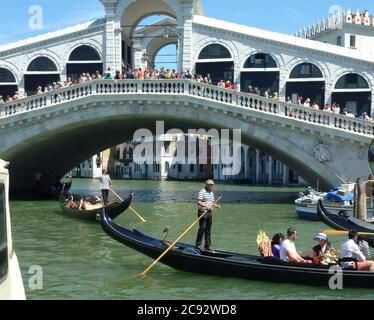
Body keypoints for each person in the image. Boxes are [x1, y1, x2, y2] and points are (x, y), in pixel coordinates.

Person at [195, 180, 220, 252]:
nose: (213, 186)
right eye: (212, 185)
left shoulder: (211, 193)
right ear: (207, 185)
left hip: (209, 213)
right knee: (202, 228)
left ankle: (207, 246)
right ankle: (198, 244)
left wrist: (216, 206)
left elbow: (211, 203)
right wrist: (206, 206)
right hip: (202, 212)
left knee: (208, 229)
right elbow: (198, 202)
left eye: (213, 185)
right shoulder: (202, 192)